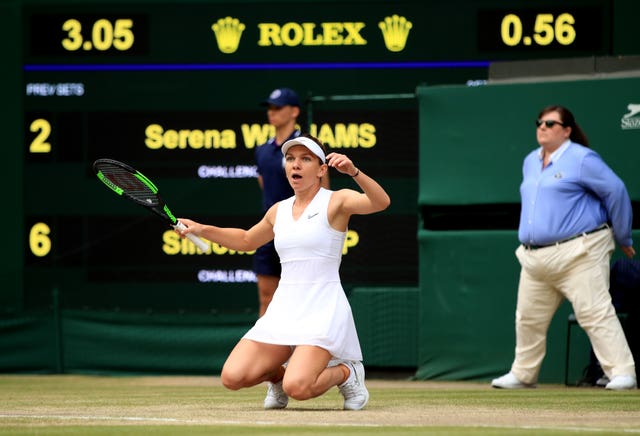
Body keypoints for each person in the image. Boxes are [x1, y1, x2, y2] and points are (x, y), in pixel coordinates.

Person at [177, 134, 390, 409]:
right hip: (284, 309)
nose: (295, 165)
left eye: (305, 159)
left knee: (299, 387)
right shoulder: (278, 211)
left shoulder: (337, 201)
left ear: (322, 169)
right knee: (233, 377)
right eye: (290, 159)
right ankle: (277, 379)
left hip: (322, 309)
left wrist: (354, 172)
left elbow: (381, 202)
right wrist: (201, 229)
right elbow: (245, 240)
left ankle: (347, 373)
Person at [491, 105, 637, 391]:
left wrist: (624, 237)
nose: (542, 127)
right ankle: (523, 373)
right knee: (528, 318)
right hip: (535, 257)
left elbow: (616, 191)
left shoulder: (582, 158)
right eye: (539, 123)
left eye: (550, 123)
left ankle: (622, 372)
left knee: (595, 312)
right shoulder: (530, 161)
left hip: (580, 251)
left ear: (567, 130)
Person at [253, 87, 329, 317]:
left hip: (302, 233)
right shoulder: (262, 149)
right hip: (271, 232)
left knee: (303, 301)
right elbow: (264, 183)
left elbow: (323, 188)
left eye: (278, 107)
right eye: (270, 108)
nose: (272, 112)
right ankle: (268, 351)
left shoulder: (306, 147)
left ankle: (304, 352)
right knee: (267, 298)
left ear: (295, 111)